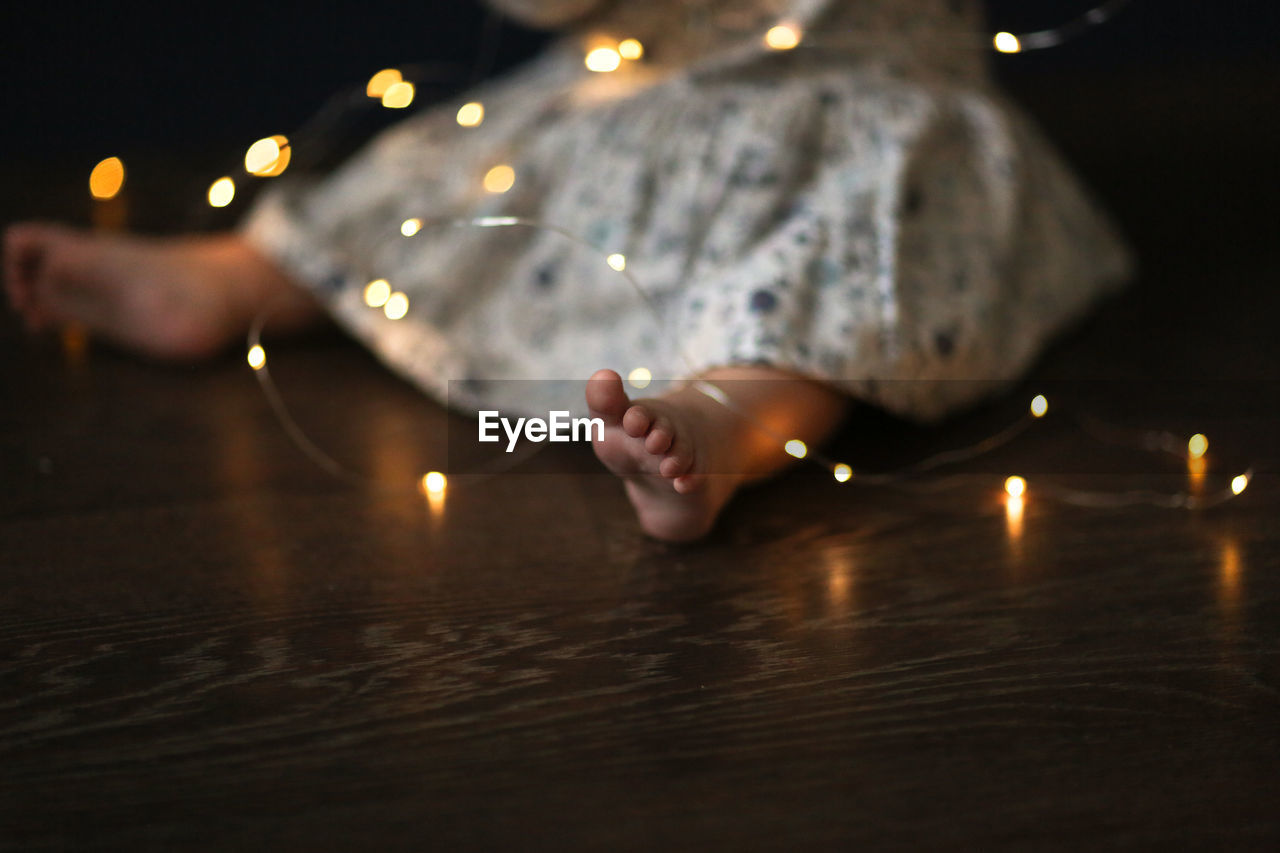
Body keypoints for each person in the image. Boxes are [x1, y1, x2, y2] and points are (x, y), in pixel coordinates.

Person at [2, 0, 1132, 542]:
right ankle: (247, 274)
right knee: (460, 166)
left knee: (824, 267)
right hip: (645, 91)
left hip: (862, 104)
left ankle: (718, 428)